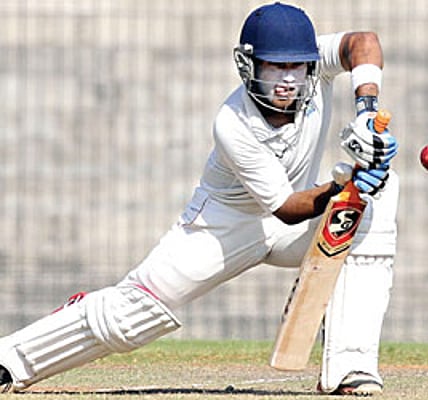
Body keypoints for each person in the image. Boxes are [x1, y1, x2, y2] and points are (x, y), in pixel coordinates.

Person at [0, 2, 399, 396]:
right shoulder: (232, 123)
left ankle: (351, 367)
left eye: (295, 66)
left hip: (292, 223)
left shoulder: (312, 66)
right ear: (251, 65)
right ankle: (10, 360)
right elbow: (286, 209)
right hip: (223, 227)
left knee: (378, 199)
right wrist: (339, 187)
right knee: (129, 317)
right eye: (275, 66)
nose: (287, 80)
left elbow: (363, 41)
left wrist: (366, 113)